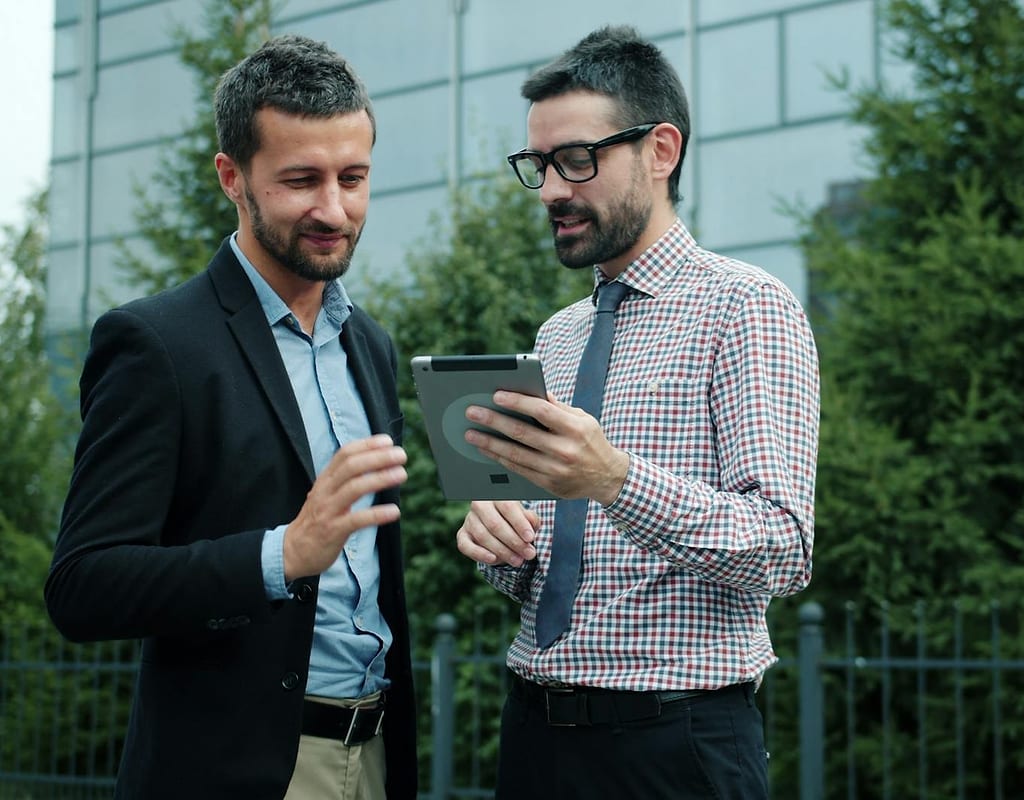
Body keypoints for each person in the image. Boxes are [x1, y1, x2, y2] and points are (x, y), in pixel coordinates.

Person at [44, 35, 416, 800]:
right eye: (301, 180)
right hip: (237, 772)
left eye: (353, 177)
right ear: (232, 177)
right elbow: (83, 586)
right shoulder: (156, 344)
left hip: (375, 755)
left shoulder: (370, 346)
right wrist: (281, 555)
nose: (334, 208)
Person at [454, 24, 820, 800]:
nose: (552, 189)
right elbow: (550, 566)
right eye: (539, 165)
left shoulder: (748, 308)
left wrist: (616, 480)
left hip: (676, 746)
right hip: (533, 732)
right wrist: (501, 544)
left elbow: (784, 549)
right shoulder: (557, 334)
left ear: (660, 150)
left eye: (577, 160)